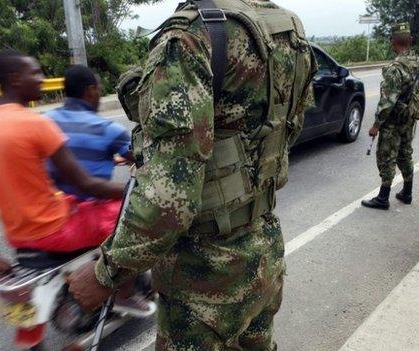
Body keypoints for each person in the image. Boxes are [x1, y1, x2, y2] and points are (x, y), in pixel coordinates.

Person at [67, 0, 316, 349]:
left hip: (204, 277)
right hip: (264, 249)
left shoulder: (189, 37)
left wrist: (106, 274)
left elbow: (169, 199)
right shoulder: (286, 27)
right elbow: (288, 130)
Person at [0, 51, 125, 349]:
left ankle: (29, 337)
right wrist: (129, 191)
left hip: (21, 238)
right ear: (14, 79)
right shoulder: (35, 123)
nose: (42, 79)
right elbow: (85, 182)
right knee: (127, 215)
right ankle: (125, 290)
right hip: (58, 230)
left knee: (25, 320)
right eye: (36, 73)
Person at [45, 64, 154, 317]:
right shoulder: (106, 128)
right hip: (89, 211)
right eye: (99, 90)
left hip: (55, 206)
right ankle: (126, 294)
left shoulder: (45, 121)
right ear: (91, 91)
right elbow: (140, 156)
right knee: (138, 221)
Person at [362, 23, 419, 210]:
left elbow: (387, 102)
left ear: (394, 41)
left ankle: (383, 198)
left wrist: (376, 125)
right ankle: (407, 192)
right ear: (410, 41)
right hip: (410, 117)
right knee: (405, 153)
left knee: (387, 156)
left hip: (393, 120)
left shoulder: (395, 67)